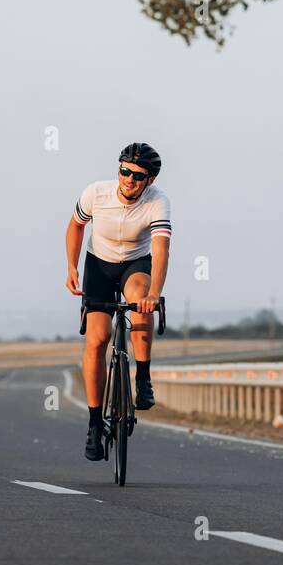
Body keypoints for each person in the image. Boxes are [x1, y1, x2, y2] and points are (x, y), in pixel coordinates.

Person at [65, 142, 170, 461]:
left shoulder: (158, 202)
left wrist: (155, 293)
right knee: (97, 340)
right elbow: (76, 225)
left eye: (138, 176)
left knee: (140, 298)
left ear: (149, 180)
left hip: (135, 264)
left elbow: (162, 249)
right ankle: (95, 423)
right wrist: (71, 266)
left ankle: (143, 377)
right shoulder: (96, 193)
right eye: (124, 171)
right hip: (99, 265)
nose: (129, 180)